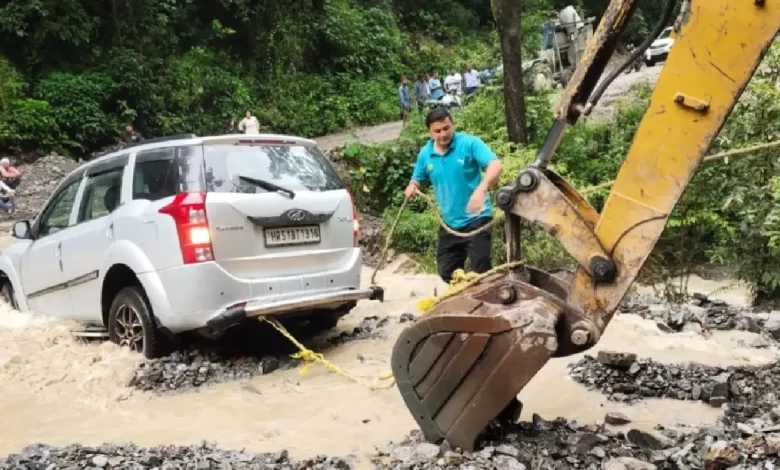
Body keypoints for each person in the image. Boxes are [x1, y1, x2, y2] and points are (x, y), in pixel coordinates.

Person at [403, 108, 503, 283]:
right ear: (430, 132)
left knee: (481, 271)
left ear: (452, 124)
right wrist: (412, 187)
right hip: (450, 224)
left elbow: (495, 165)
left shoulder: (470, 144)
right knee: (446, 273)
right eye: (438, 131)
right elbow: (417, 179)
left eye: (446, 128)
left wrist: (482, 189)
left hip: (477, 218)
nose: (443, 134)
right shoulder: (425, 154)